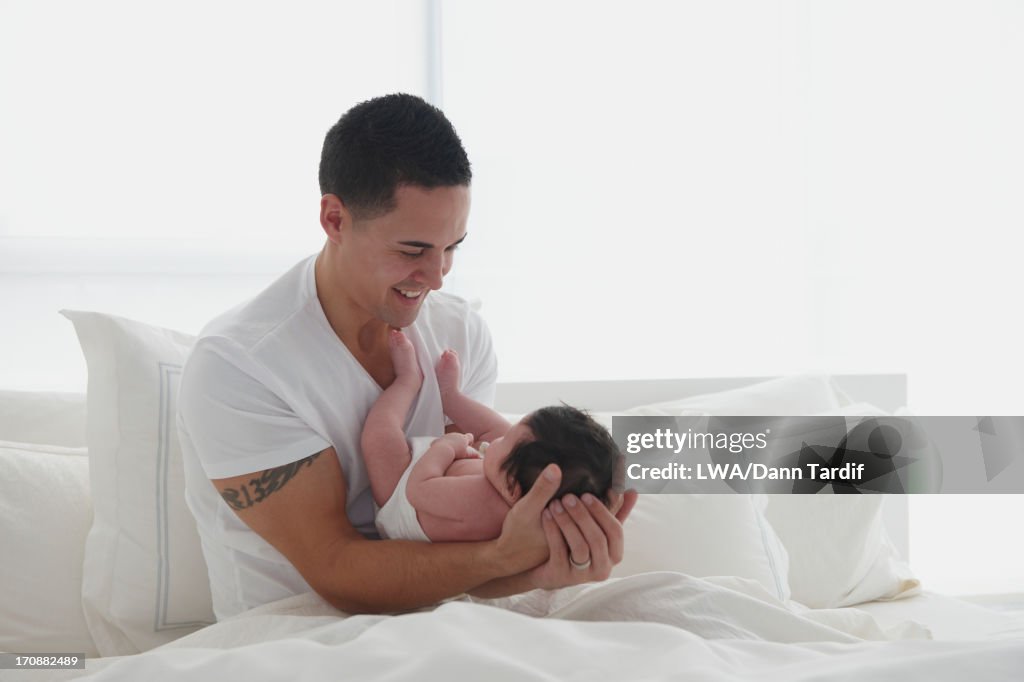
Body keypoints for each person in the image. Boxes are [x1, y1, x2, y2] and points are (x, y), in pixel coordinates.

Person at [177, 93, 637, 620]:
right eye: (413, 251)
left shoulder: (460, 335)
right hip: (298, 638)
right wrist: (501, 556)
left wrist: (537, 562)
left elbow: (460, 553)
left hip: (444, 621)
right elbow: (338, 573)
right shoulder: (241, 368)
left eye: (453, 247)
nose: (438, 276)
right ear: (334, 219)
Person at [365, 331, 621, 544]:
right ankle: (450, 397)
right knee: (501, 429)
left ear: (511, 485)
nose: (499, 440)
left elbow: (417, 491)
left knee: (379, 439)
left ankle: (406, 382)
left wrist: (446, 448)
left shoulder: (483, 503)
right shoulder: (513, 485)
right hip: (448, 475)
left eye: (506, 444)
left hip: (401, 499)